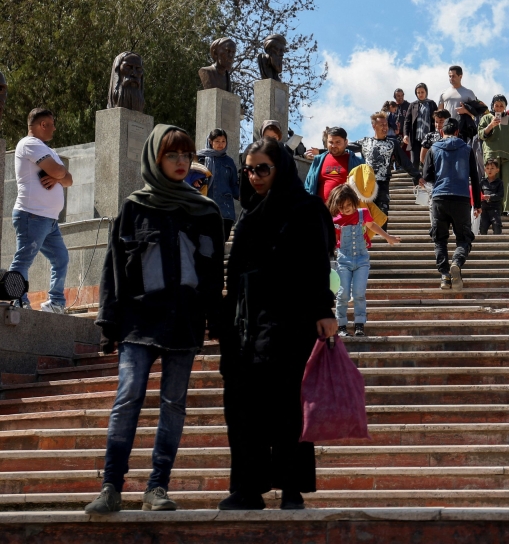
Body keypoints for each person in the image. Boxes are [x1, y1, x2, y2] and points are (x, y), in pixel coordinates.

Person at [85, 125, 224, 515]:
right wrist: (107, 326)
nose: (181, 162)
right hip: (138, 323)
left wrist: (217, 323)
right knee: (127, 399)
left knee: (173, 404)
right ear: (155, 158)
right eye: (172, 155)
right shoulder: (133, 207)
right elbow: (114, 272)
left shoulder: (205, 211)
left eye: (186, 155)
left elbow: (213, 277)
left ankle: (157, 487)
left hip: (185, 323)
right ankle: (111, 486)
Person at [219, 137, 337, 511]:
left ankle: (291, 487)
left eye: (262, 169)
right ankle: (247, 488)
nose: (254, 177)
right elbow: (234, 274)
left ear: (280, 168)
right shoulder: (249, 216)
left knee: (288, 404)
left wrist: (324, 311)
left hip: (292, 321)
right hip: (247, 325)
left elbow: (319, 264)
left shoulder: (307, 209)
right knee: (243, 407)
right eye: (249, 169)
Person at [9, 108, 72, 312]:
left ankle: (55, 302)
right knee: (23, 259)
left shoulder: (48, 150)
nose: (54, 128)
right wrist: (58, 174)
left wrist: (57, 176)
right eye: (52, 124)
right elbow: (59, 171)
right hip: (32, 215)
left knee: (60, 258)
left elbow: (69, 179)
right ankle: (16, 299)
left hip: (49, 219)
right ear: (42, 125)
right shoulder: (29, 144)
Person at [329, 184, 399, 338]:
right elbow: (331, 239)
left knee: (359, 293)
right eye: (342, 206)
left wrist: (388, 238)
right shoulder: (336, 220)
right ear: (337, 206)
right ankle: (341, 325)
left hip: (362, 259)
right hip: (344, 260)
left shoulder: (363, 214)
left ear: (355, 201)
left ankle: (359, 324)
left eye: (349, 204)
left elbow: (373, 226)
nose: (346, 209)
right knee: (343, 294)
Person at [423, 118, 482, 291]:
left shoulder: (433, 148)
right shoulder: (467, 148)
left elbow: (426, 175)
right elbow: (475, 178)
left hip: (439, 198)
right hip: (461, 198)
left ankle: (444, 275)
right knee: (464, 238)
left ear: (442, 132)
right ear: (457, 132)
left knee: (440, 239)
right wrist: (477, 204)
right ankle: (457, 261)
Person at [349, 112, 423, 227]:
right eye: (381, 125)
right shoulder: (365, 141)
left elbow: (404, 161)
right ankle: (366, 241)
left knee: (382, 213)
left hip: (383, 183)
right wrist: (320, 152)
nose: (385, 127)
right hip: (366, 184)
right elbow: (343, 147)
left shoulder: (392, 143)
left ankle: (384, 238)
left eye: (386, 125)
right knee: (365, 214)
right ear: (374, 126)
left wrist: (417, 176)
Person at [477, 94, 509, 215]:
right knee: (491, 181)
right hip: (491, 154)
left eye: (501, 106)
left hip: (508, 155)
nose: (498, 108)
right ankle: (491, 207)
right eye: (496, 105)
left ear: (505, 107)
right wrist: (491, 125)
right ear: (492, 106)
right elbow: (481, 134)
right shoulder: (486, 118)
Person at [303, 127, 364, 203]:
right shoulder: (318, 161)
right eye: (331, 142)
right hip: (321, 211)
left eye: (338, 142)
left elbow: (364, 188)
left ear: (346, 142)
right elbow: (308, 186)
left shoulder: (357, 162)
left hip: (346, 212)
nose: (334, 145)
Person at [198, 129, 240, 239]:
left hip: (226, 209)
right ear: (210, 141)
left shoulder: (229, 162)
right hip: (206, 208)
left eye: (223, 141)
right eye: (217, 141)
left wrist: (242, 197)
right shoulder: (200, 158)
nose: (221, 144)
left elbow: (234, 184)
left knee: (222, 241)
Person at [438, 65, 483, 141]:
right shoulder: (444, 93)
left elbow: (477, 114)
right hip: (446, 129)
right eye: (450, 76)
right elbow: (439, 113)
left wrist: (465, 111)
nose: (451, 78)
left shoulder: (469, 93)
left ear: (460, 76)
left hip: (462, 130)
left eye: (453, 76)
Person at [402, 82, 438, 164]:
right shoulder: (413, 105)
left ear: (426, 92)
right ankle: (415, 177)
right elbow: (407, 121)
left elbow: (436, 118)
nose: (420, 94)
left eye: (422, 92)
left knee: (428, 161)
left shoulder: (431, 104)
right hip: (416, 138)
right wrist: (406, 134)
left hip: (429, 137)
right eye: (418, 92)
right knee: (415, 161)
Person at [479, 158, 504, 236]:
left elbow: (500, 195)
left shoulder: (499, 182)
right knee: (482, 229)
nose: (490, 170)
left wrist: (490, 197)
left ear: (497, 170)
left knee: (497, 227)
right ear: (485, 170)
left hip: (495, 209)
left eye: (492, 168)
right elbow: (478, 194)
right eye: (487, 168)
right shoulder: (482, 182)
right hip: (484, 209)